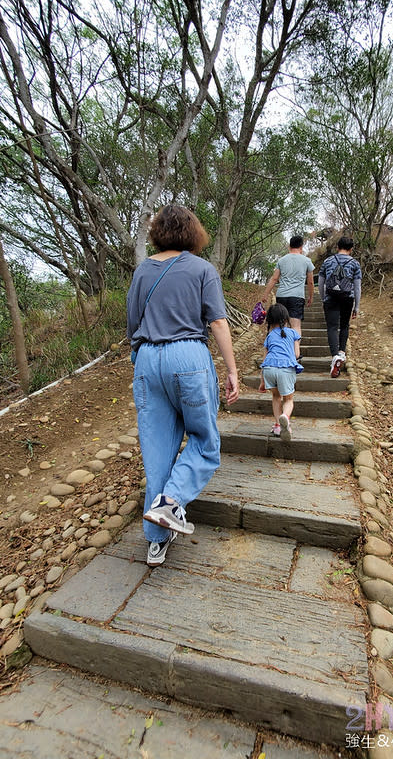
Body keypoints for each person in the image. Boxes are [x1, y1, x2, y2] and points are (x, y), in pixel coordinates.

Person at [126, 204, 239, 567]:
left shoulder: (143, 270)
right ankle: (172, 502)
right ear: (193, 233)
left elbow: (132, 324)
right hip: (188, 356)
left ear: (157, 232)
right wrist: (232, 371)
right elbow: (218, 324)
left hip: (147, 359)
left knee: (157, 451)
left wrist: (141, 359)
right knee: (205, 440)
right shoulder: (203, 269)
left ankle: (156, 543)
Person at [318, 235, 362, 378]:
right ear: (351, 249)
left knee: (332, 327)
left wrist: (323, 298)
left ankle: (335, 356)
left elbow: (321, 282)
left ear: (337, 247)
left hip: (330, 297)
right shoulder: (355, 264)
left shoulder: (328, 261)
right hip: (347, 299)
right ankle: (341, 353)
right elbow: (357, 287)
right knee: (344, 326)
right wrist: (356, 306)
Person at [258, 303, 303, 442]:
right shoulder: (293, 333)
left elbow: (264, 360)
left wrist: (262, 381)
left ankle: (278, 425)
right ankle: (285, 418)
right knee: (288, 399)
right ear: (285, 318)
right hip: (285, 369)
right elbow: (296, 354)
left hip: (269, 369)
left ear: (270, 320)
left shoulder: (269, 336)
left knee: (276, 397)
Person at [261, 235, 314, 335]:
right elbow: (310, 282)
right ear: (301, 247)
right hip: (297, 297)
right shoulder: (307, 261)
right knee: (295, 326)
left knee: (281, 325)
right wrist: (310, 296)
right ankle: (295, 351)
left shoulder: (282, 260)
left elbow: (274, 279)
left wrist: (266, 294)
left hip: (282, 296)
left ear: (289, 246)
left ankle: (281, 349)